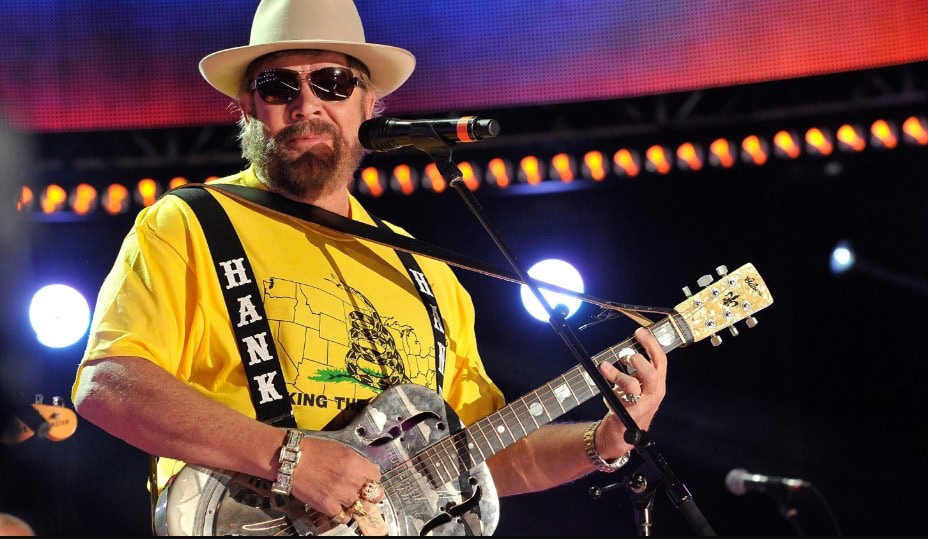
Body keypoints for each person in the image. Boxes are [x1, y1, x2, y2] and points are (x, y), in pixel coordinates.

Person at [71, 0, 668, 534]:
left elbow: (482, 458)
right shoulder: (190, 222)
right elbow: (107, 385)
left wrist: (601, 441)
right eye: (278, 86)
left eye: (332, 83)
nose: (306, 104)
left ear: (368, 103)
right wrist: (289, 457)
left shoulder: (424, 269)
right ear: (248, 106)